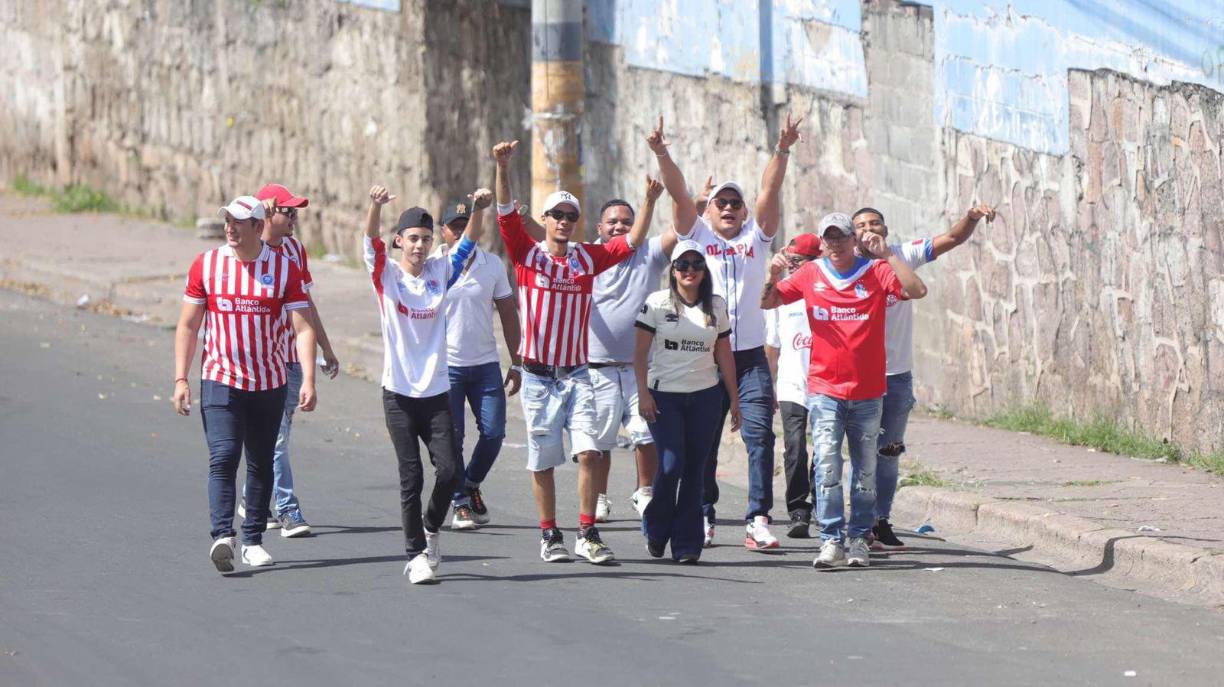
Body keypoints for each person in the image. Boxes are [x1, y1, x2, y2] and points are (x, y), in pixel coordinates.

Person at [492, 139, 648, 564]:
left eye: (570, 216)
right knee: (542, 460)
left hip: (579, 375)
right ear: (544, 220)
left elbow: (629, 243)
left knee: (591, 452)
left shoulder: (587, 258)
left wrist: (651, 200)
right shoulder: (527, 255)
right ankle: (548, 534)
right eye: (556, 215)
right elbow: (505, 214)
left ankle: (587, 531)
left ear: (578, 223)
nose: (563, 221)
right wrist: (503, 167)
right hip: (539, 376)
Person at [651, 113, 802, 550]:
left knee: (759, 436)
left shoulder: (757, 239)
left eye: (737, 203)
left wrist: (783, 148)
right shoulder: (694, 235)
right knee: (705, 444)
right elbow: (679, 192)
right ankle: (702, 514)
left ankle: (757, 517)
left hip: (750, 357)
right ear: (710, 209)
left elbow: (770, 191)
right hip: (702, 358)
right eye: (723, 203)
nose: (731, 209)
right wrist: (662, 152)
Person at [761, 213, 927, 569]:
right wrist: (772, 274)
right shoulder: (810, 273)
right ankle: (831, 539)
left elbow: (917, 290)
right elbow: (769, 301)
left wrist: (888, 255)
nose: (835, 244)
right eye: (829, 238)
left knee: (865, 471)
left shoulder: (876, 272)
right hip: (823, 390)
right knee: (827, 466)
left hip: (868, 392)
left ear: (854, 240)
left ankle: (858, 539)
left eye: (841, 237)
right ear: (822, 243)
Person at [173, 195, 318, 574]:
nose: (230, 228)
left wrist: (308, 377)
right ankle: (223, 535)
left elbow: (303, 327)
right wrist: (180, 378)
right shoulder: (207, 265)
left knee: (259, 461)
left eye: (239, 222)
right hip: (220, 378)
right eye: (227, 221)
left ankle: (252, 539)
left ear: (258, 226)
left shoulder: (284, 270)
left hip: (269, 381)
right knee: (222, 456)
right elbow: (188, 325)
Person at [363, 184, 490, 585]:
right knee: (411, 476)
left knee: (450, 472)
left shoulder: (440, 272)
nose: (419, 246)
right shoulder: (386, 276)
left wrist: (479, 208)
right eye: (412, 239)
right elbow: (370, 242)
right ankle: (416, 554)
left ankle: (431, 528)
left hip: (436, 394)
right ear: (399, 240)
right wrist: (375, 207)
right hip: (398, 394)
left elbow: (469, 241)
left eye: (425, 239)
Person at [850, 204, 995, 549]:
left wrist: (971, 217)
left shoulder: (902, 255)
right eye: (861, 225)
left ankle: (881, 521)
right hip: (860, 377)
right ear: (852, 234)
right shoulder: (844, 265)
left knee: (889, 451)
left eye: (875, 223)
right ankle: (859, 524)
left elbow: (953, 238)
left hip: (896, 375)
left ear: (885, 229)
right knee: (862, 452)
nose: (869, 228)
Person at [231, 183, 339, 538]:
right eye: (287, 212)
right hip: (264, 360)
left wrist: (325, 347)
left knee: (277, 435)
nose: (294, 218)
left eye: (296, 213)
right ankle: (288, 509)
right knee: (276, 438)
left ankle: (251, 497)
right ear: (267, 215)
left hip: (294, 356)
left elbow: (305, 306)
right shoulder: (249, 250)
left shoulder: (294, 250)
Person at [635, 239, 740, 562]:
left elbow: (723, 352)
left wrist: (734, 400)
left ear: (704, 270)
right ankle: (656, 528)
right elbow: (640, 354)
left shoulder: (717, 306)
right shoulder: (657, 303)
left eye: (696, 265)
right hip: (664, 396)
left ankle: (687, 544)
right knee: (670, 463)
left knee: (696, 471)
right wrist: (643, 394)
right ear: (673, 270)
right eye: (683, 265)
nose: (689, 271)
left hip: (706, 396)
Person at [434, 197, 522, 530]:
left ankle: (469, 483)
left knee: (495, 432)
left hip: (485, 364)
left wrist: (517, 362)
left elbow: (509, 314)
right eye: (454, 227)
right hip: (448, 368)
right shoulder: (434, 266)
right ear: (443, 232)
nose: (460, 232)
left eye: (465, 225)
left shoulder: (493, 265)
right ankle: (459, 503)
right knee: (453, 437)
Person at [763, 233, 822, 538]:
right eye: (788, 261)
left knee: (825, 450)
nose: (791, 267)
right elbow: (772, 345)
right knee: (795, 448)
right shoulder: (780, 298)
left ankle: (822, 504)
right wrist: (767, 386)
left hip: (826, 385)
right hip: (790, 384)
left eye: (797, 261)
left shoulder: (827, 291)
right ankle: (798, 510)